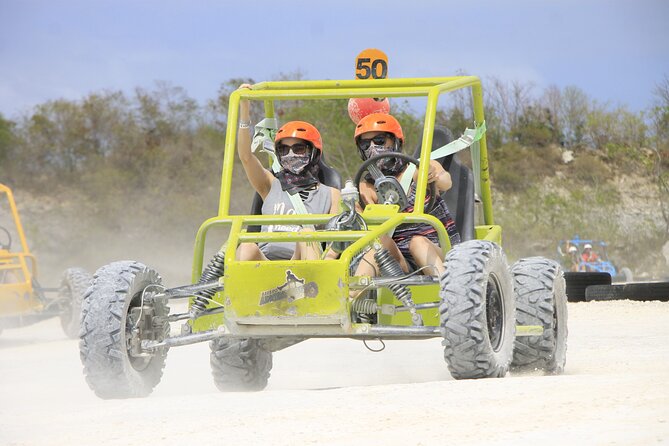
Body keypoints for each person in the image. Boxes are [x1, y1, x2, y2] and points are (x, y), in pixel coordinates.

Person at [236, 84, 340, 261]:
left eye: (298, 148)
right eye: (284, 149)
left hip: (302, 266)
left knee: (306, 234)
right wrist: (244, 110)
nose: (290, 154)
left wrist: (329, 261)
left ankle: (307, 287)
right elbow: (246, 157)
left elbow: (335, 242)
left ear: (313, 152)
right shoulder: (269, 184)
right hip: (265, 265)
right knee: (246, 246)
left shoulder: (331, 193)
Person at [354, 112, 460, 276]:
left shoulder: (419, 169)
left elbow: (446, 181)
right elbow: (366, 227)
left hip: (441, 252)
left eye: (380, 141)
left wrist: (435, 177)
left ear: (395, 141)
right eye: (365, 144)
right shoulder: (366, 185)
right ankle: (349, 298)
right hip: (402, 262)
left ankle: (449, 295)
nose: (373, 147)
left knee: (417, 243)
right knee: (377, 243)